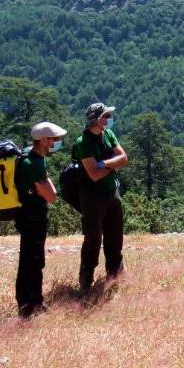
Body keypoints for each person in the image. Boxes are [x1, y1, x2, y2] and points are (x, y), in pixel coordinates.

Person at [73, 103, 128, 296]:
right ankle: (86, 280)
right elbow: (93, 175)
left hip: (112, 192)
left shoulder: (108, 135)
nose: (109, 118)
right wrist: (113, 164)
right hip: (92, 196)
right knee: (93, 238)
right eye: (106, 116)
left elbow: (124, 158)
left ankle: (115, 276)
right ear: (97, 119)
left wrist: (103, 163)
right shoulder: (83, 142)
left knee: (115, 236)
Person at [14, 121, 67, 318]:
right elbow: (51, 196)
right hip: (33, 217)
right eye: (55, 138)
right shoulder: (33, 163)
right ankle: (30, 307)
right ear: (44, 140)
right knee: (33, 262)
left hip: (26, 215)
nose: (58, 141)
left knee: (30, 260)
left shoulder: (30, 154)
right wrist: (48, 185)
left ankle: (31, 303)